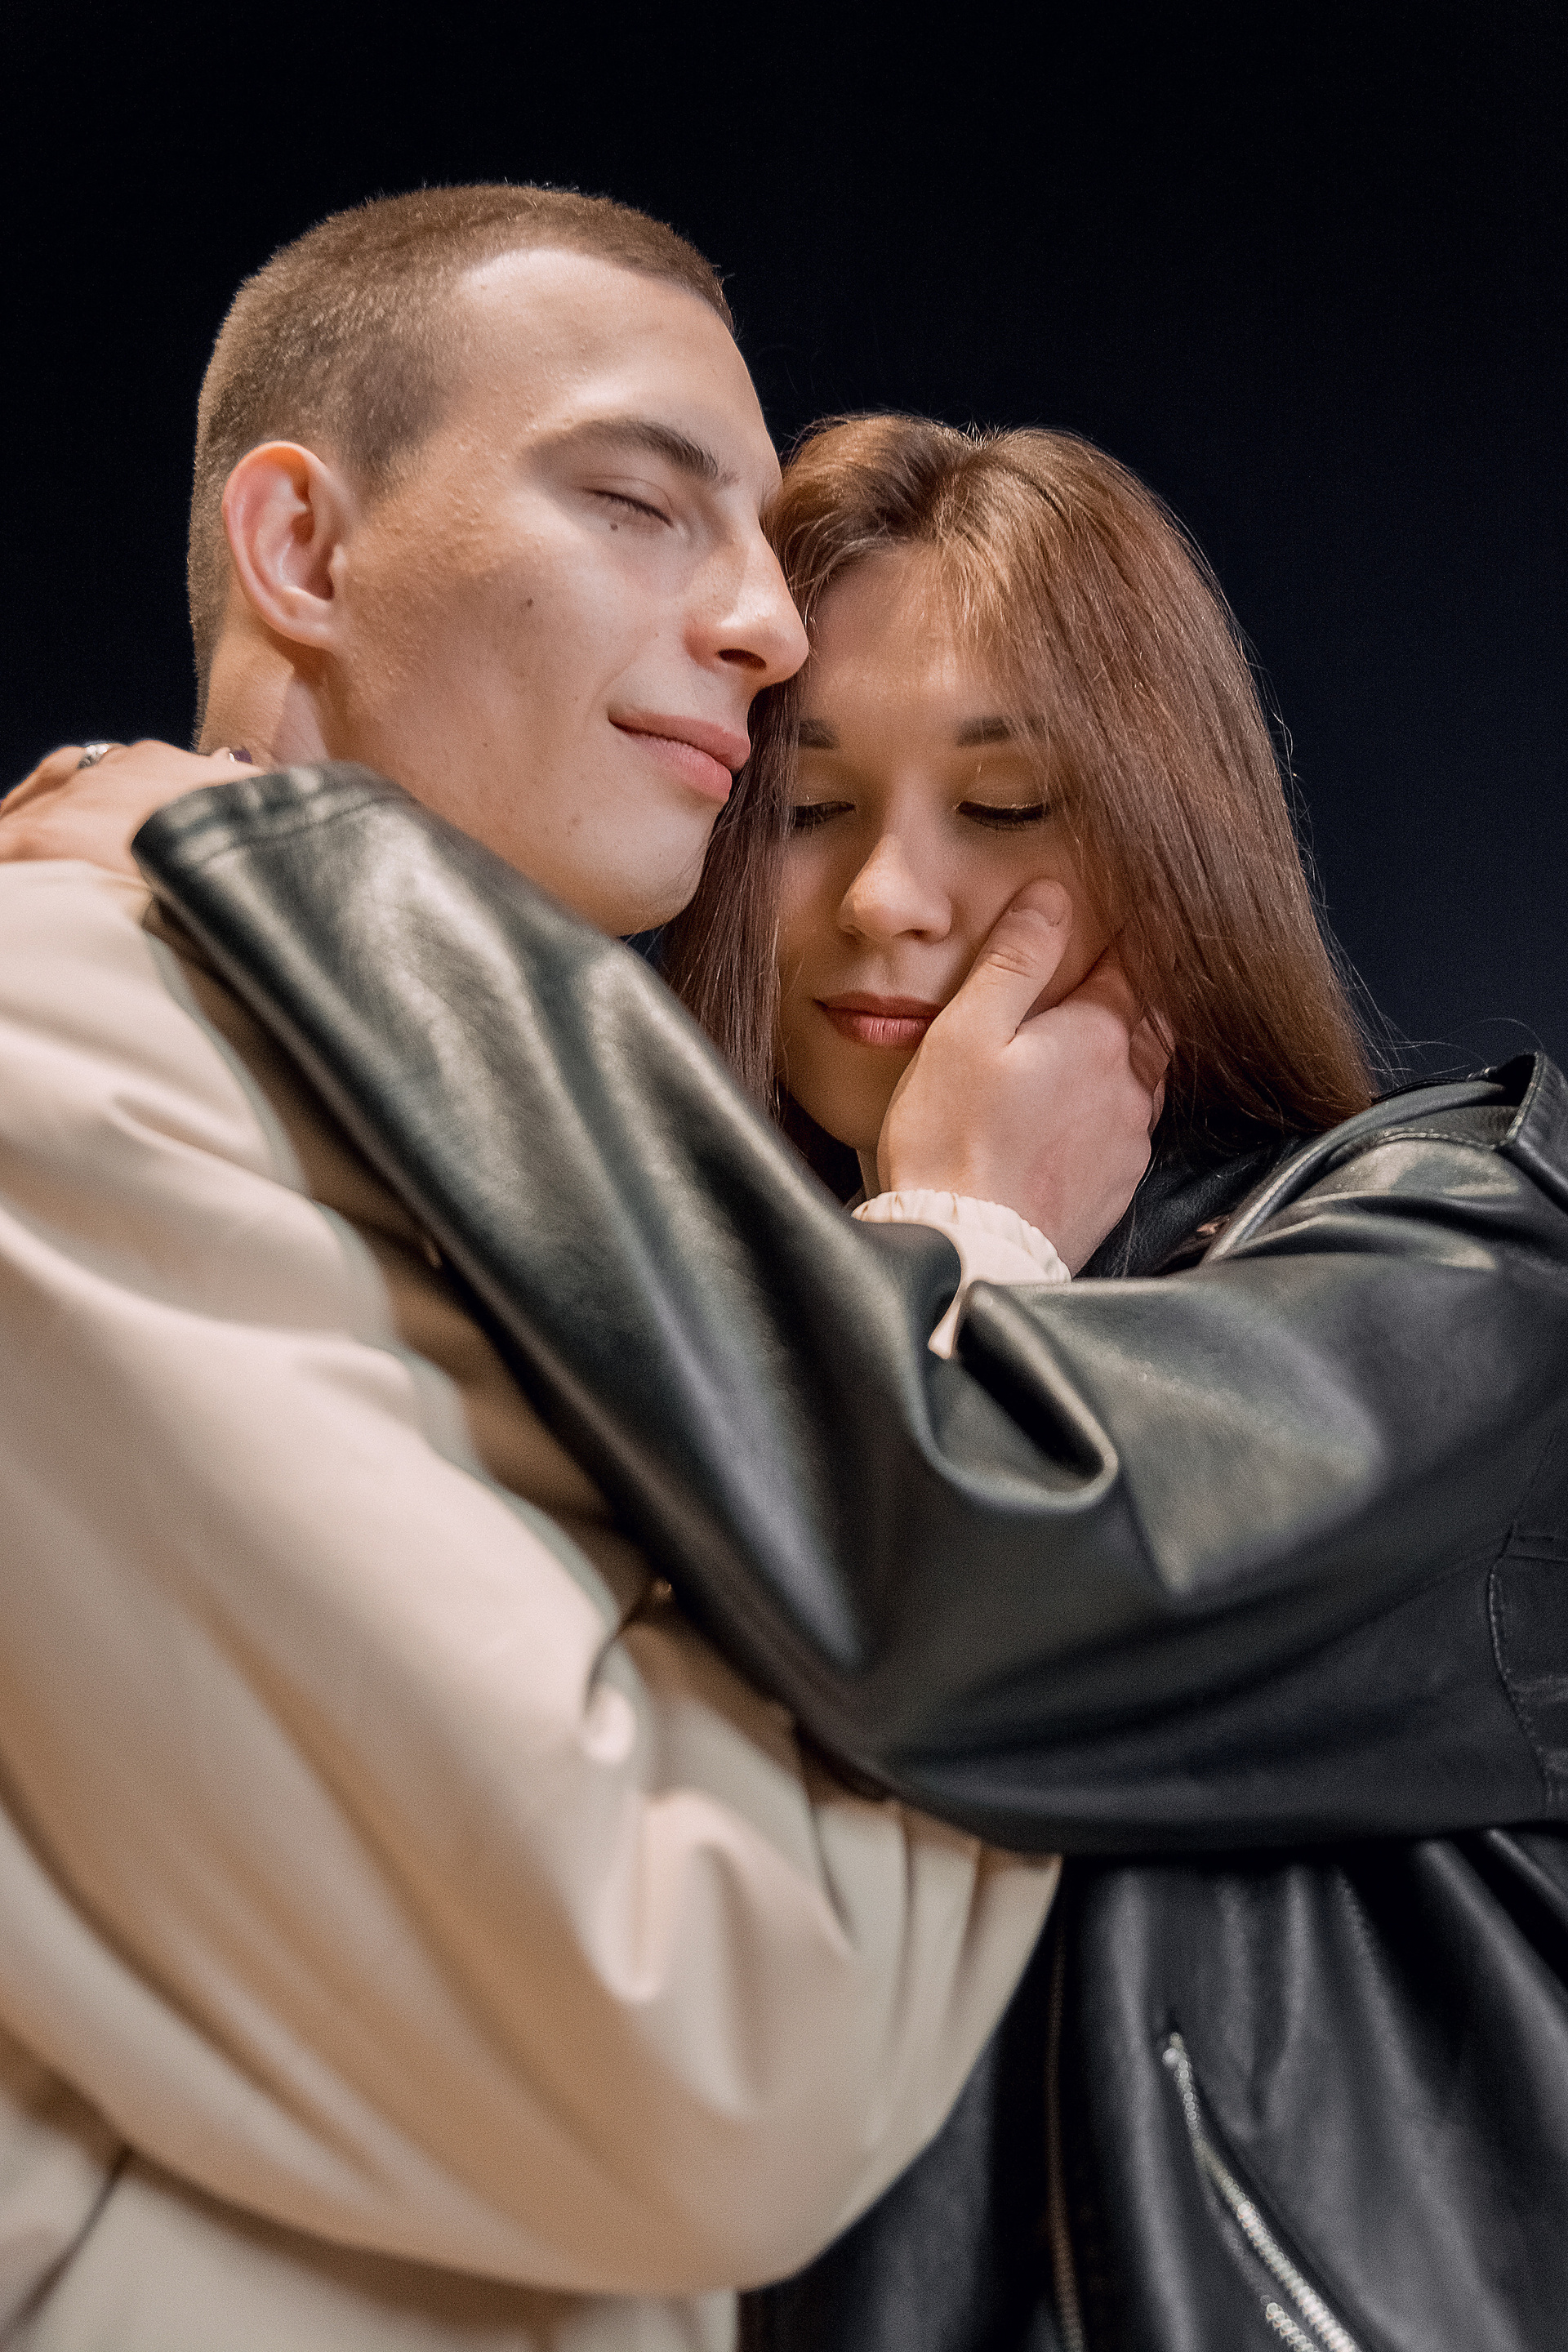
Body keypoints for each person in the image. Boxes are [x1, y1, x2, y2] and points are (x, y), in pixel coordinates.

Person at [96, 416, 1568, 2349]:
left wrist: (317, 870)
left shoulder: (1470, 1263)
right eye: (807, 807)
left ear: (1176, 839)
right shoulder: (653, 1342)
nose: (887, 897)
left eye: (1008, 804)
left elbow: (955, 1573)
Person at [0, 189, 1165, 2352]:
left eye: (759, 548)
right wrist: (981, 1275)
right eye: (640, 504)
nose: (769, 626)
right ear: (301, 550)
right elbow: (715, 2054)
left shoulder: (458, 1169)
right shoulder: (68, 1048)